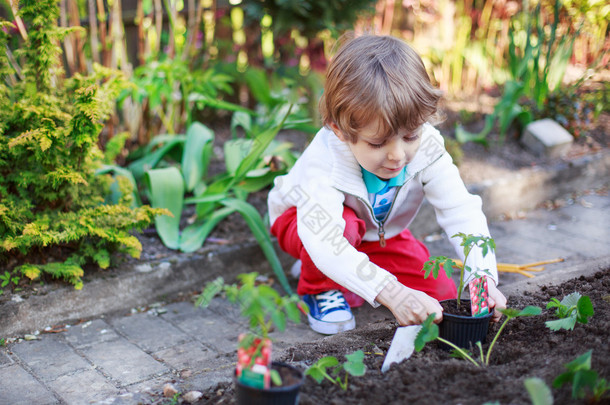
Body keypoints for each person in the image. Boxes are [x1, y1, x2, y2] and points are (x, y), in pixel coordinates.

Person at [267, 34, 507, 335]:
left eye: (410, 136)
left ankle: (345, 273)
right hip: (307, 225)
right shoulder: (324, 163)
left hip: (377, 234)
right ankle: (318, 286)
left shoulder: (429, 148)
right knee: (343, 229)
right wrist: (393, 294)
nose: (397, 155)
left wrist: (482, 279)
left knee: (442, 294)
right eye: (378, 142)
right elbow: (325, 240)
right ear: (340, 131)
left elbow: (460, 210)